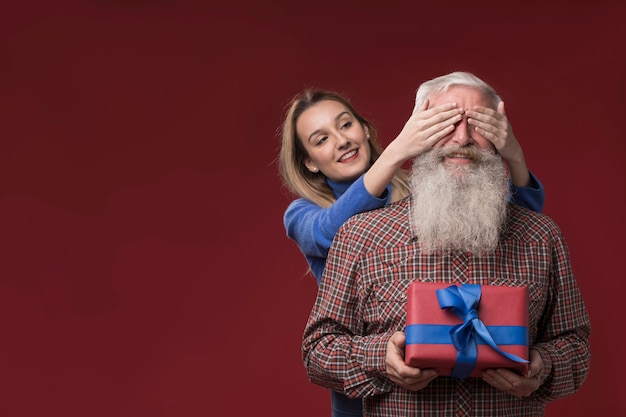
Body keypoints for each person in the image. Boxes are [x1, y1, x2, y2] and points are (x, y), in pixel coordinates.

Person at [301, 72, 591, 417]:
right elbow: (318, 351)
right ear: (418, 133)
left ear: (500, 134)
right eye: (446, 122)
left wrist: (543, 366)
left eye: (479, 124)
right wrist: (381, 358)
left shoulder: (542, 236)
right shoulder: (360, 235)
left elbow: (576, 346)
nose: (463, 137)